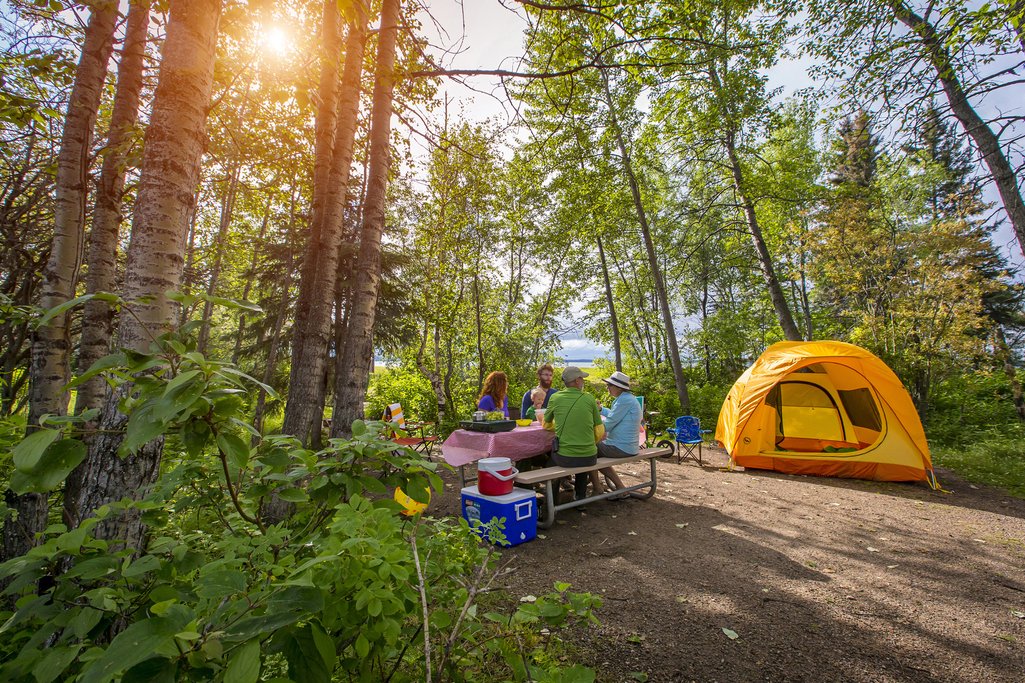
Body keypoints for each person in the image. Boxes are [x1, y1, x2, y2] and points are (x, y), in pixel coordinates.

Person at [542, 366, 604, 500]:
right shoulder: (589, 398)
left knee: (549, 461)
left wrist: (559, 427)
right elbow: (600, 430)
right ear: (576, 381)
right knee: (582, 457)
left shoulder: (555, 397)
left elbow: (546, 425)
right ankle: (580, 497)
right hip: (590, 456)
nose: (583, 381)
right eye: (582, 378)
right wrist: (589, 442)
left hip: (565, 457)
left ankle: (552, 501)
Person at [596, 370, 641, 493]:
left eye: (609, 385)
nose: (607, 387)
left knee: (587, 449)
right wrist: (601, 409)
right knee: (591, 449)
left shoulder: (624, 400)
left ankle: (597, 488)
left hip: (621, 447)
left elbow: (608, 425)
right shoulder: (627, 398)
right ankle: (619, 487)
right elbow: (614, 415)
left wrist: (589, 428)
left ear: (618, 387)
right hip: (629, 446)